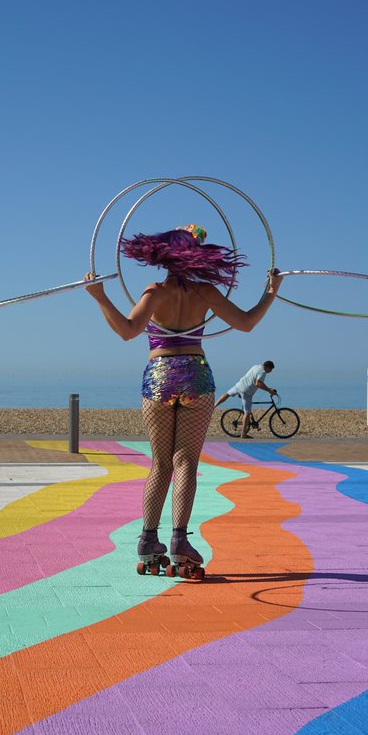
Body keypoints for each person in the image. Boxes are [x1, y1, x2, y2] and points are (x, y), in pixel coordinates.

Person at [85, 223, 283, 572]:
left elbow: (128, 331)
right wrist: (271, 292)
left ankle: (148, 537)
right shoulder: (204, 293)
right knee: (186, 462)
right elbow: (247, 322)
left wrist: (100, 297)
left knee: (160, 463)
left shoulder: (155, 292)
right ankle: (178, 539)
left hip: (158, 376)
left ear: (163, 254)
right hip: (195, 375)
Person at [214, 361, 277, 439]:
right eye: (270, 370)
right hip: (246, 392)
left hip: (239, 385)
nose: (269, 372)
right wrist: (269, 390)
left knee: (227, 394)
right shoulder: (263, 372)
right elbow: (258, 383)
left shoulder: (255, 366)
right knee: (247, 412)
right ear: (267, 367)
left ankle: (214, 406)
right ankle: (243, 434)